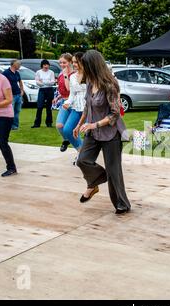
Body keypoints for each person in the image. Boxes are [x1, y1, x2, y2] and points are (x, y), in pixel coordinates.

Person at [74, 50, 131, 214]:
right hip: (93, 132)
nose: (82, 68)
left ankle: (122, 204)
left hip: (111, 132)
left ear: (93, 65)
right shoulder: (90, 83)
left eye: (84, 65)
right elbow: (87, 107)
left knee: (114, 170)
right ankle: (95, 184)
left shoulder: (110, 85)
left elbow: (115, 114)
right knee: (82, 160)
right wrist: (79, 124)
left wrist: (94, 125)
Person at [60, 52, 86, 164]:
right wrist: (68, 102)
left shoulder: (91, 75)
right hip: (76, 108)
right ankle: (80, 151)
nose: (74, 64)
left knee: (90, 133)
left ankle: (87, 156)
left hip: (89, 109)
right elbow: (72, 93)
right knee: (67, 130)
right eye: (73, 62)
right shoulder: (72, 76)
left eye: (76, 62)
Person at [54, 53, 74, 152]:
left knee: (70, 129)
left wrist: (66, 75)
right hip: (64, 101)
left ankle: (80, 153)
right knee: (59, 125)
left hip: (74, 103)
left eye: (64, 62)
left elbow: (69, 88)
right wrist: (58, 96)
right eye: (60, 62)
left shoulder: (74, 74)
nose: (62, 64)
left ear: (70, 62)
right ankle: (66, 140)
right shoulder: (62, 73)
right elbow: (62, 89)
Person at [32, 59, 56, 128]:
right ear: (42, 65)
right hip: (42, 90)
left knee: (49, 107)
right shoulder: (38, 72)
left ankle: (49, 123)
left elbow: (52, 82)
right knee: (39, 106)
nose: (46, 66)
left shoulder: (51, 72)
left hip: (49, 90)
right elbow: (37, 82)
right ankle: (37, 124)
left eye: (47, 65)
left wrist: (43, 82)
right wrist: (45, 82)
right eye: (44, 65)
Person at [2, 59, 24, 130]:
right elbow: (2, 83)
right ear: (14, 64)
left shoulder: (17, 73)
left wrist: (22, 90)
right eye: (19, 64)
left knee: (17, 111)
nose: (20, 65)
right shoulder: (6, 73)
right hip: (11, 96)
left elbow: (20, 82)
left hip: (18, 95)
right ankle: (8, 125)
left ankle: (15, 126)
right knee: (10, 111)